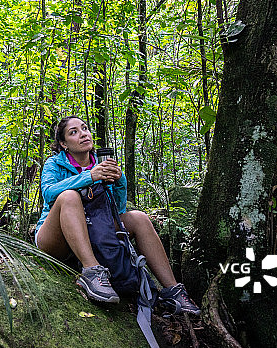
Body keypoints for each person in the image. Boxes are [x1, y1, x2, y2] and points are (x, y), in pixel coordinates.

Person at [35, 116, 200, 315]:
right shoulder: (54, 164)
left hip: (96, 231)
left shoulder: (102, 163)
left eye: (84, 128)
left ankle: (172, 290)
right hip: (57, 238)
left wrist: (120, 180)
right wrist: (89, 177)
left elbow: (118, 209)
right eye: (74, 132)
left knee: (139, 217)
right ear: (63, 144)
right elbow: (49, 193)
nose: (83, 134)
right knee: (69, 197)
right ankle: (92, 271)